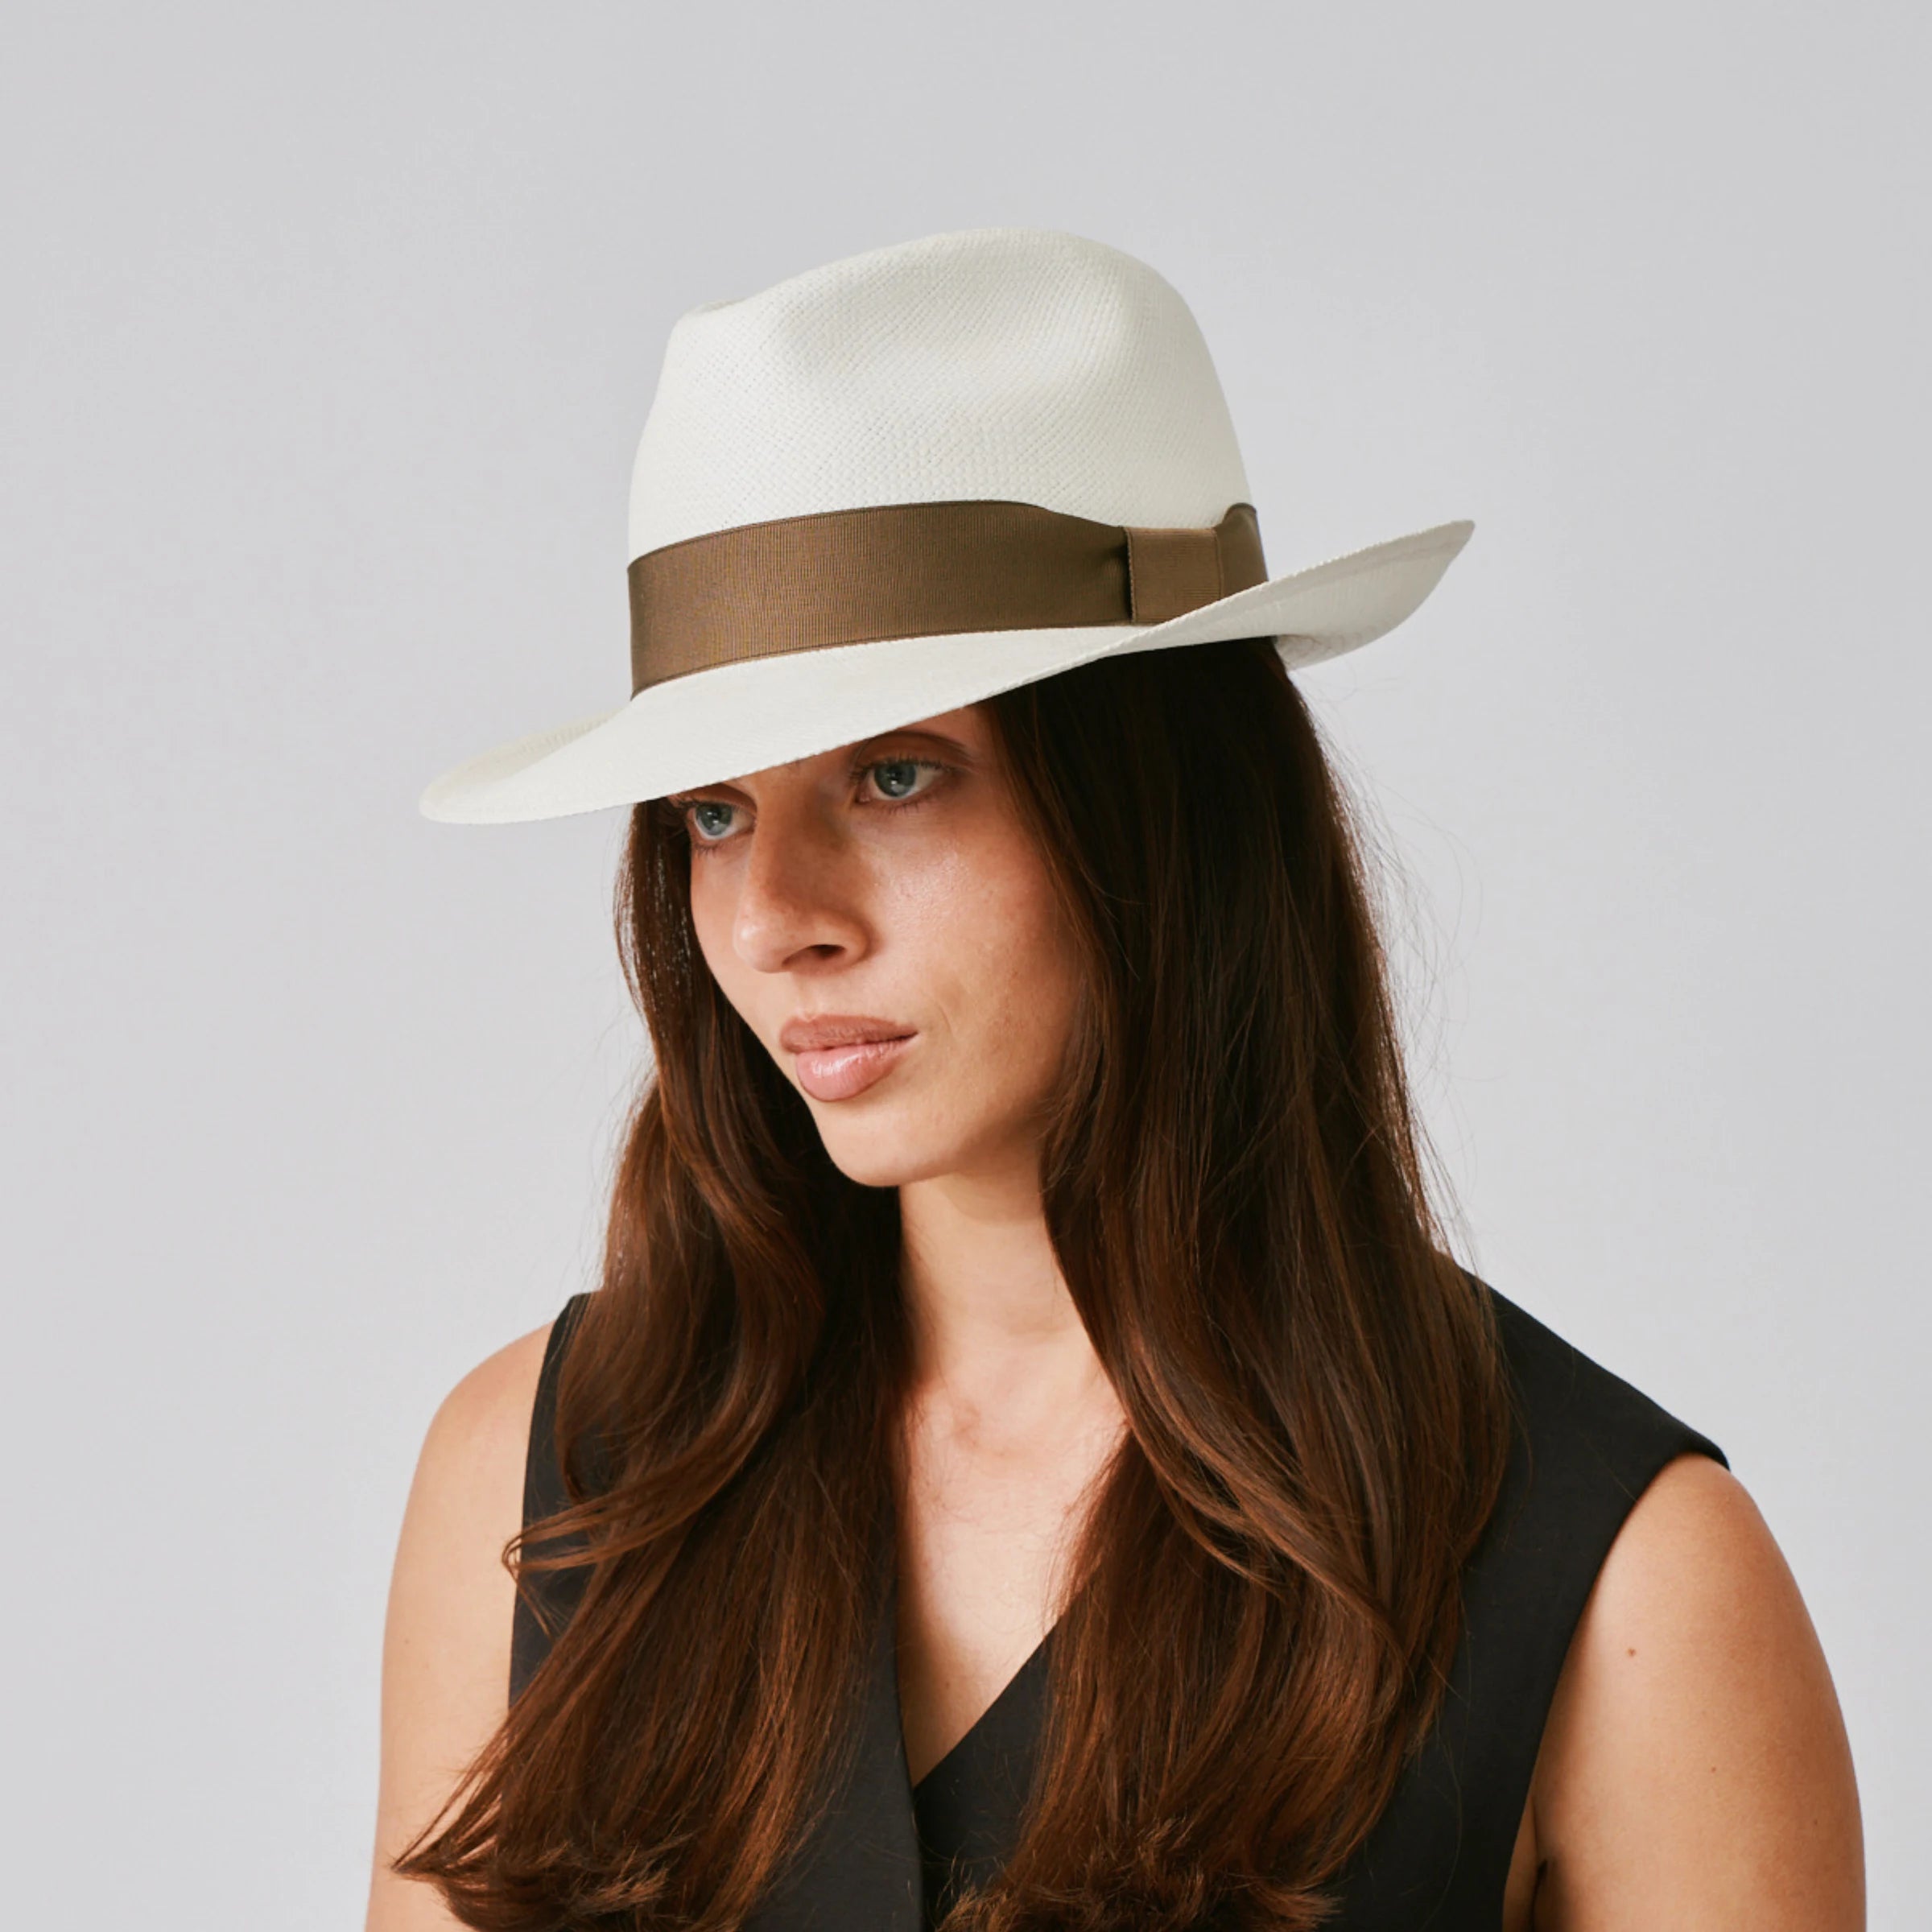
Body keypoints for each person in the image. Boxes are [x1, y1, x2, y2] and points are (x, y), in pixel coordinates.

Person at [366, 229, 1863, 1931]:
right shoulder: (546, 1482)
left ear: (1164, 806)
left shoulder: (1622, 1586)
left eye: (898, 773)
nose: (776, 915)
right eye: (713, 811)